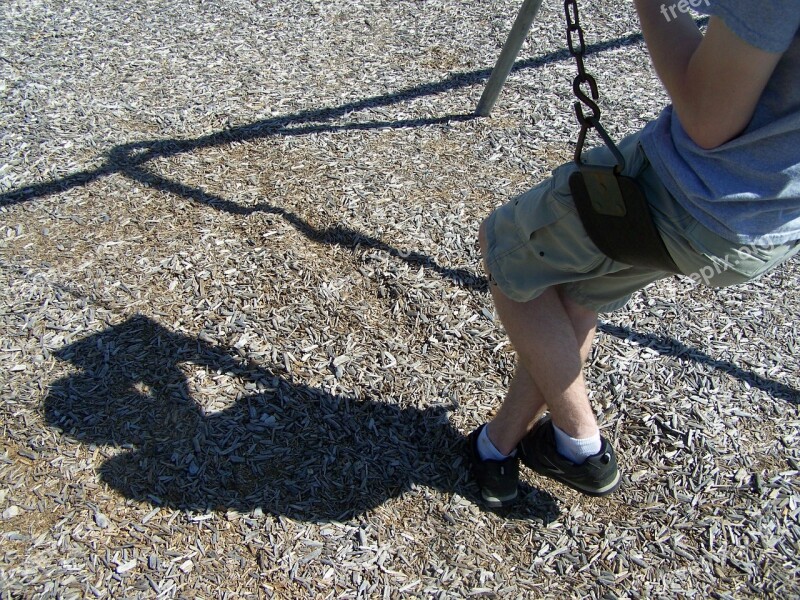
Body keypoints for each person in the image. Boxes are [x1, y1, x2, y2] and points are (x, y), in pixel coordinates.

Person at [469, 0, 800, 507]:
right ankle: (497, 447)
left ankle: (583, 447)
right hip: (764, 229)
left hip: (688, 197)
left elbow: (708, 117)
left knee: (507, 250)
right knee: (575, 296)